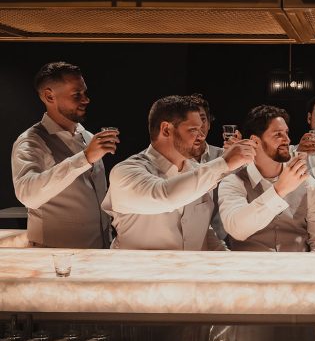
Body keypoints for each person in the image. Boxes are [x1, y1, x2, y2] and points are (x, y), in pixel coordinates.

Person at [102, 95, 254, 250]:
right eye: (193, 130)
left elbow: (203, 233)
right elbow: (164, 196)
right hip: (136, 266)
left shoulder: (197, 173)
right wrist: (224, 163)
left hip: (189, 266)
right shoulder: (125, 172)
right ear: (166, 129)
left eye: (201, 128)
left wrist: (229, 260)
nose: (201, 136)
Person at [12, 62, 119, 248]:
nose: (86, 100)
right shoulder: (31, 141)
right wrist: (84, 158)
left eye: (84, 92)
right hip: (55, 257)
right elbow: (28, 195)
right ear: (49, 96)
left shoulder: (88, 136)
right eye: (77, 94)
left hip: (97, 253)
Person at [217, 105, 315, 252]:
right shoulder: (233, 182)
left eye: (286, 133)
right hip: (249, 265)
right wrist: (278, 191)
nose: (287, 140)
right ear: (255, 141)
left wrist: (306, 265)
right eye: (278, 134)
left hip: (297, 264)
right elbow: (237, 230)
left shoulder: (306, 183)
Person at [188, 94, 227, 242]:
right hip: (187, 241)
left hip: (223, 240)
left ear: (209, 123)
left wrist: (241, 158)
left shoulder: (224, 156)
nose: (198, 126)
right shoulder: (174, 160)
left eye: (202, 119)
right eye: (192, 121)